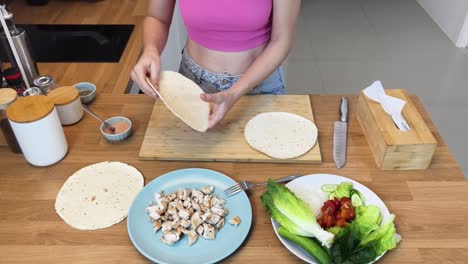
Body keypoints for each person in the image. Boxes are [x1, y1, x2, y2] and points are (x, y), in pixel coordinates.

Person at [132, 0, 301, 129]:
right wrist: (150, 50)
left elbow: (282, 39)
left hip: (258, 86)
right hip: (193, 84)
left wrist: (234, 93)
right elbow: (157, 17)